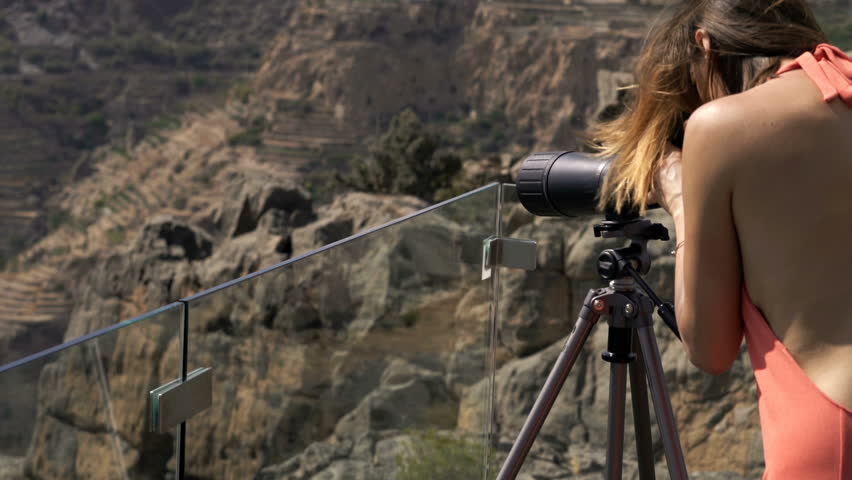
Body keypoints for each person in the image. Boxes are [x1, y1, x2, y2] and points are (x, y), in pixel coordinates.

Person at [583, 0, 852, 478]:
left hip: (833, 436)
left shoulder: (724, 125)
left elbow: (710, 350)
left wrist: (682, 198)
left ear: (705, 46)